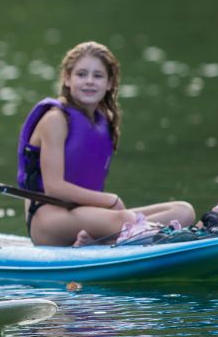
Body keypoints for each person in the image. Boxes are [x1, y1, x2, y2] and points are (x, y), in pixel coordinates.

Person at [17, 41, 196, 247]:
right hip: (49, 219)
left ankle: (100, 240)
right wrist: (110, 201)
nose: (89, 81)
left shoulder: (105, 119)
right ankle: (129, 235)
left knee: (183, 211)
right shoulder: (55, 120)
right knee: (126, 219)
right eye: (81, 74)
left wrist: (108, 206)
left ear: (110, 83)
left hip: (89, 213)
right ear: (67, 78)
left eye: (98, 75)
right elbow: (54, 187)